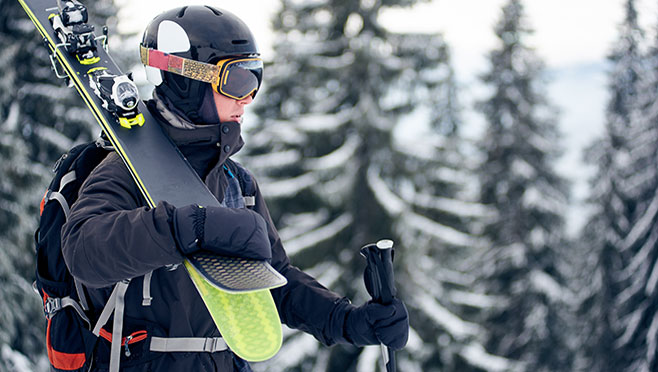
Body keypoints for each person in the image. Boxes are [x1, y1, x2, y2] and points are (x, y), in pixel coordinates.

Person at [60, 5, 408, 372]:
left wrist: (347, 321)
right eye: (237, 81)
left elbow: (274, 282)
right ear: (187, 80)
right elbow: (83, 250)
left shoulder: (235, 184)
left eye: (256, 78)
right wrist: (188, 228)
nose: (248, 96)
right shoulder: (126, 170)